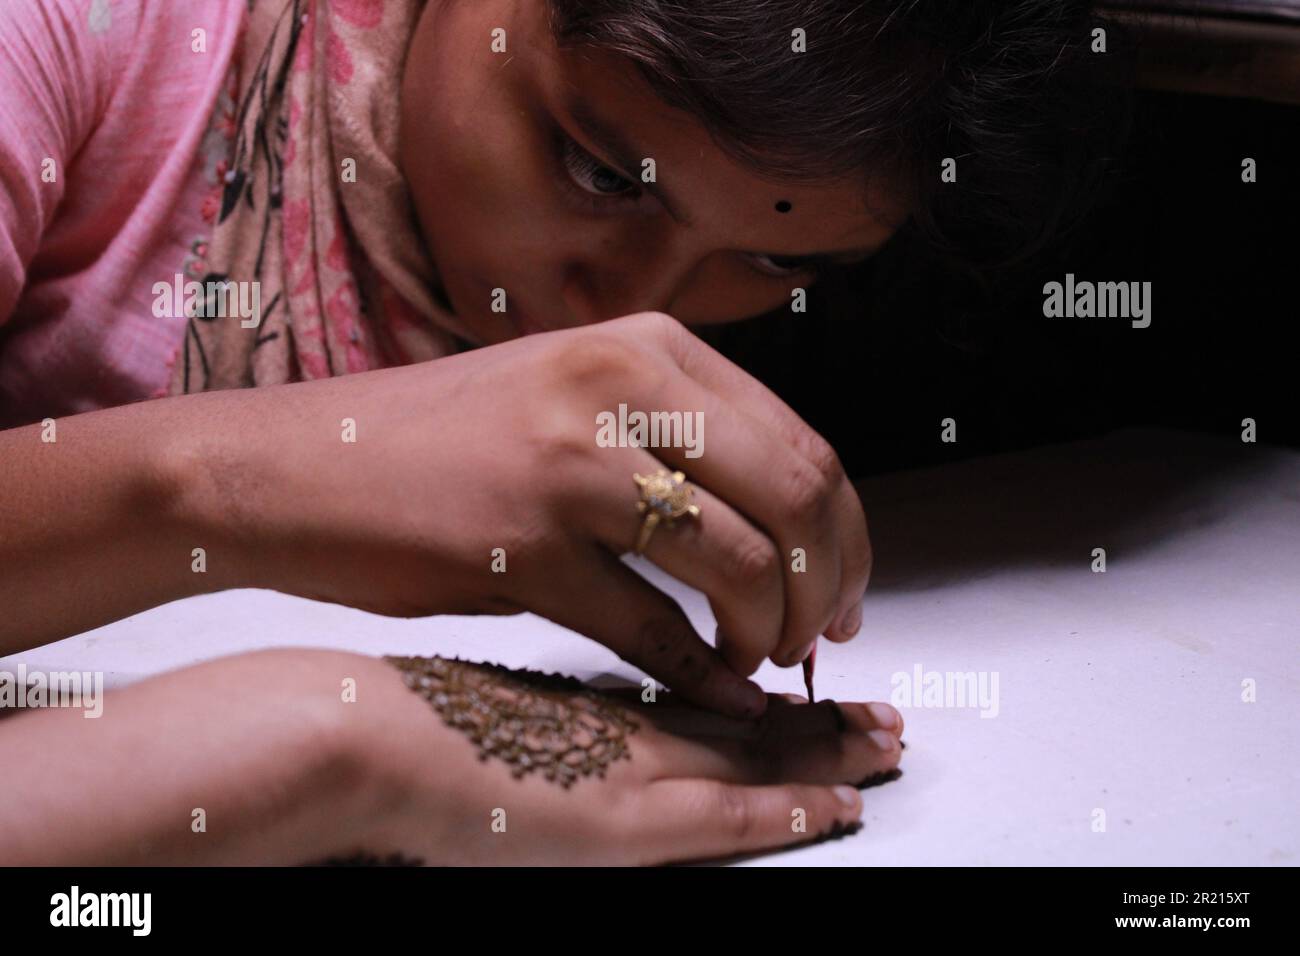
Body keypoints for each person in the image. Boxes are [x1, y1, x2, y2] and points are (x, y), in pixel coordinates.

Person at [0, 0, 1106, 862]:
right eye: (597, 170)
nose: (643, 309)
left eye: (777, 262)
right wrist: (230, 497)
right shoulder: (79, 36)